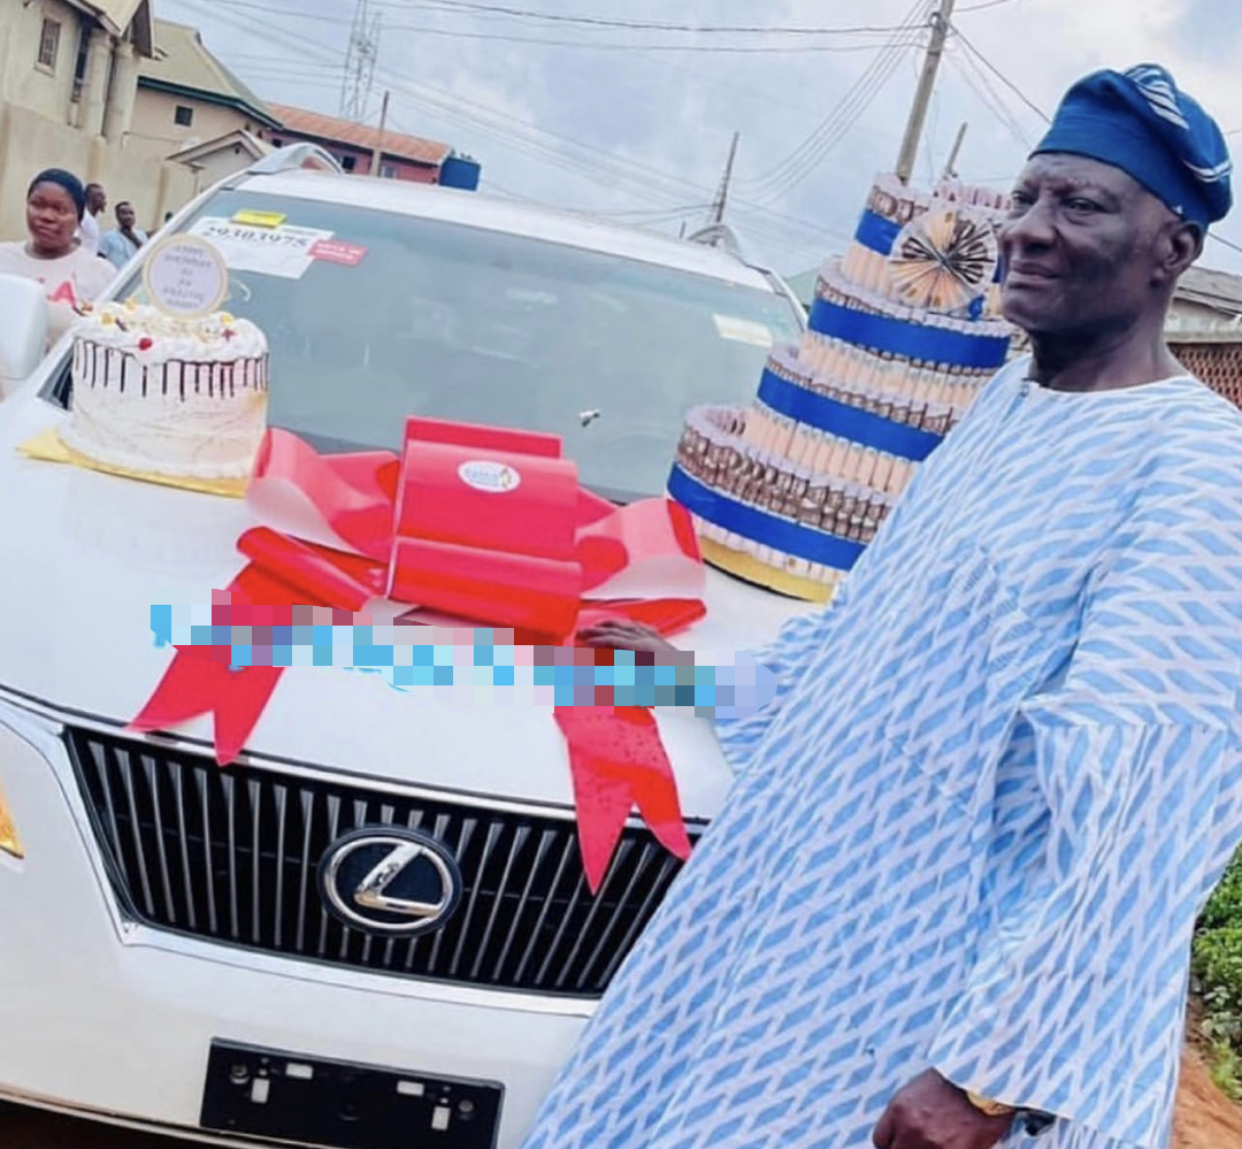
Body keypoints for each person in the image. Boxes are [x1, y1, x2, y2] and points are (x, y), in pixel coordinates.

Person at [519, 65, 1242, 1149]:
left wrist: (990, 1073)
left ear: (1171, 251)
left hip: (945, 1006)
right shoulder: (1008, 402)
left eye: (1082, 205)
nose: (1032, 230)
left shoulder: (1196, 466)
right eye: (1027, 197)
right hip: (805, 943)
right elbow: (871, 646)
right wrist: (695, 680)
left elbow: (1150, 803)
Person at [0, 169, 116, 347]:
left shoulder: (100, 273)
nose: (46, 216)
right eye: (37, 204)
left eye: (60, 209)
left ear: (79, 219)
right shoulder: (4, 256)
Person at [98, 201, 148, 270]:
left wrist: (134, 239)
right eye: (124, 213)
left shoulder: (141, 235)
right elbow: (100, 259)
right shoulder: (108, 237)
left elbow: (147, 255)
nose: (128, 216)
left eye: (131, 213)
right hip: (115, 277)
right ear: (117, 216)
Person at [78, 181, 106, 256]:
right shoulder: (83, 216)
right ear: (92, 198)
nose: (105, 201)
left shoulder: (93, 220)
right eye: (102, 197)